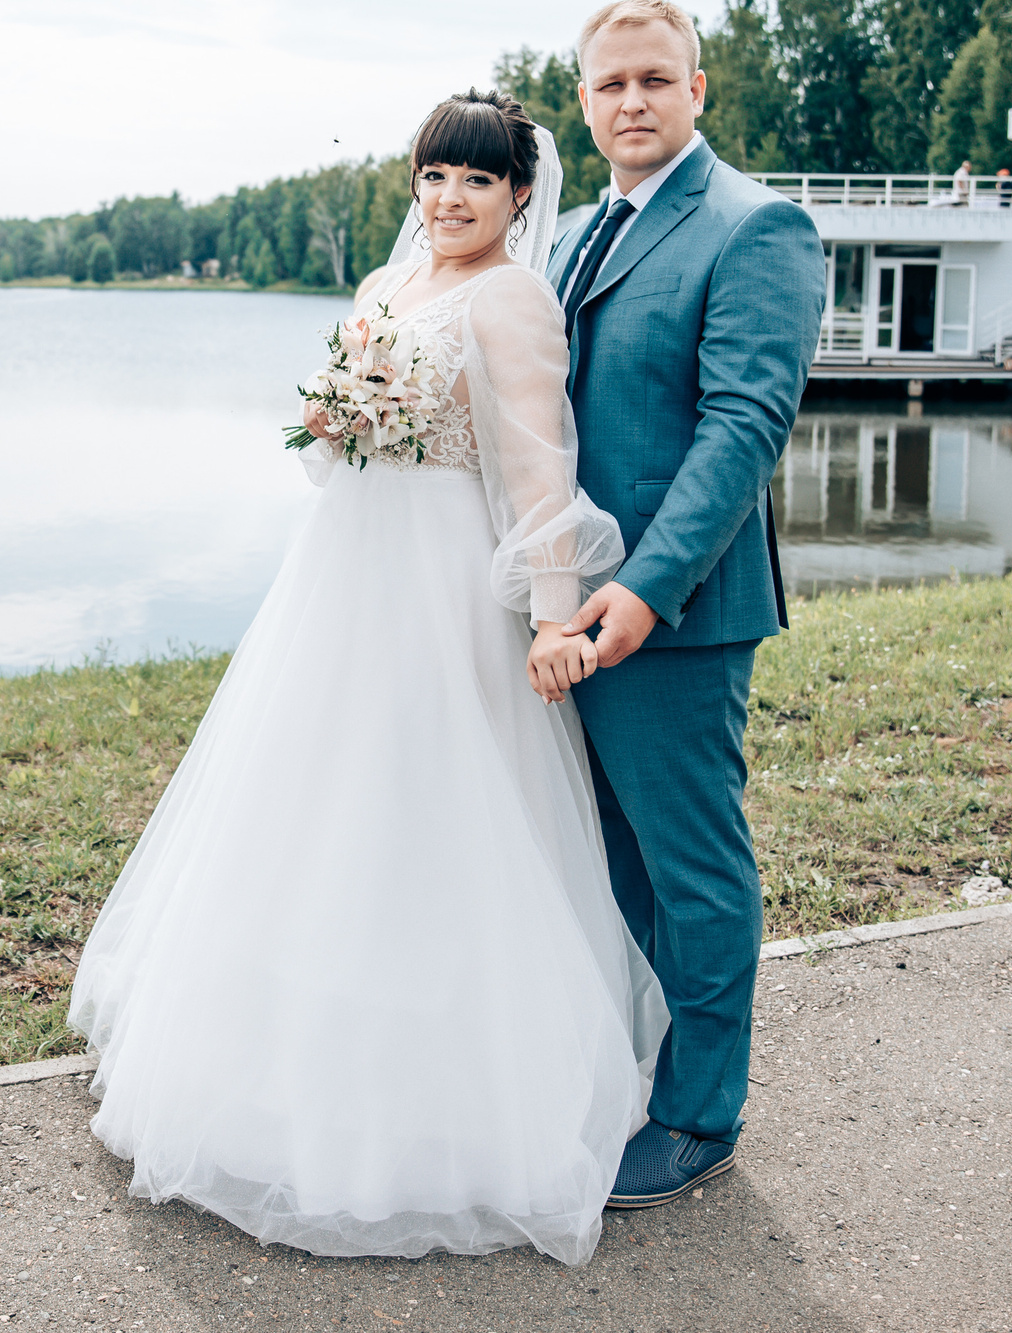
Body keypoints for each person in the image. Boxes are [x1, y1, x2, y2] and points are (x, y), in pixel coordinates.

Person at [70, 90, 661, 1266]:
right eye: (433, 177)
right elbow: (336, 454)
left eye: (476, 182)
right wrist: (335, 421)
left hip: (443, 580)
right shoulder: (385, 289)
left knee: (429, 808)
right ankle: (277, 1070)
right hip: (344, 571)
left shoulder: (513, 299)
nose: (448, 200)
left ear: (519, 196)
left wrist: (555, 620)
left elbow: (540, 472)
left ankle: (442, 1098)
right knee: (309, 797)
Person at [548, 0, 824, 1208]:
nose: (632, 102)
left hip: (677, 614)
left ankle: (702, 1115)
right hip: (563, 614)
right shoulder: (560, 234)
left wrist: (644, 589)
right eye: (610, 85)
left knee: (691, 867)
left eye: (654, 79)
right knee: (607, 860)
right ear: (585, 99)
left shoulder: (756, 225)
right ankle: (643, 1067)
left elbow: (742, 427)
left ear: (697, 88)